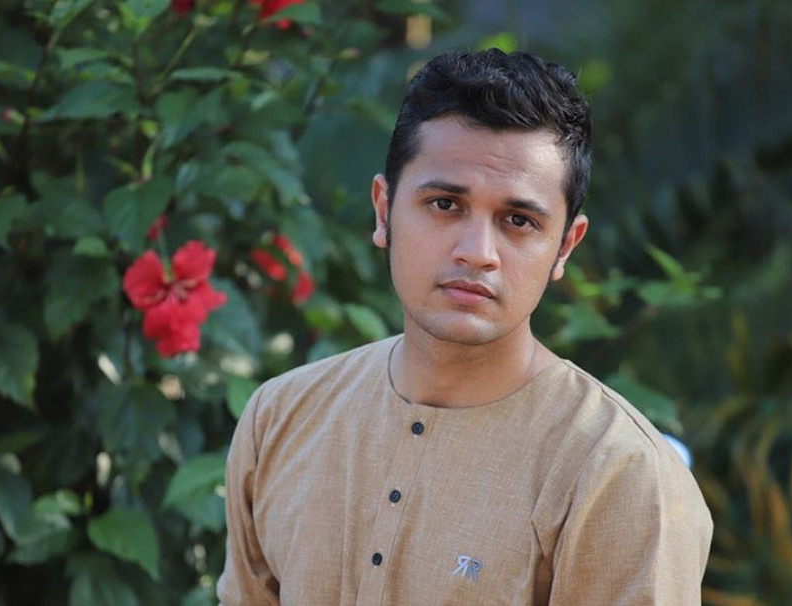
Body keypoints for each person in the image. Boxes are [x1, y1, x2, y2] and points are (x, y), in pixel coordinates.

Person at [217, 48, 713, 606]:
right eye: (445, 204)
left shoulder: (617, 475)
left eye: (518, 220)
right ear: (383, 210)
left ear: (564, 246)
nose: (478, 252)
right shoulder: (282, 417)